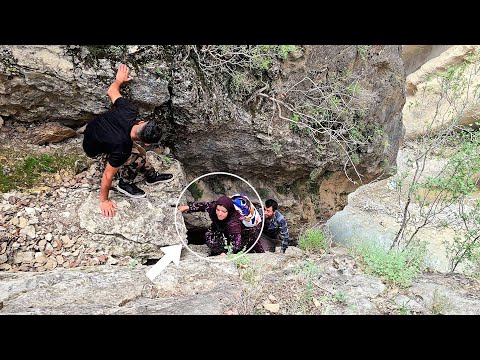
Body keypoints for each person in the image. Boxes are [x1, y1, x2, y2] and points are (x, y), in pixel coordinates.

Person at [83, 63, 174, 218]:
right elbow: (107, 175)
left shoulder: (129, 111)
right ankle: (124, 183)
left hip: (93, 130)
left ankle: (151, 176)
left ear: (141, 122)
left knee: (139, 153)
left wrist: (119, 80)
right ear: (146, 142)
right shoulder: (122, 148)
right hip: (92, 149)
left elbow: (111, 91)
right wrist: (104, 200)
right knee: (138, 156)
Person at [178, 195, 264, 256]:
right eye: (218, 210)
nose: (219, 213)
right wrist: (188, 207)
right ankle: (219, 250)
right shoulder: (213, 207)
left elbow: (236, 243)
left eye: (223, 211)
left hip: (245, 234)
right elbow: (203, 206)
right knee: (209, 236)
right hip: (221, 226)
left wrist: (227, 254)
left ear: (229, 211)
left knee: (250, 245)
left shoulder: (234, 223)